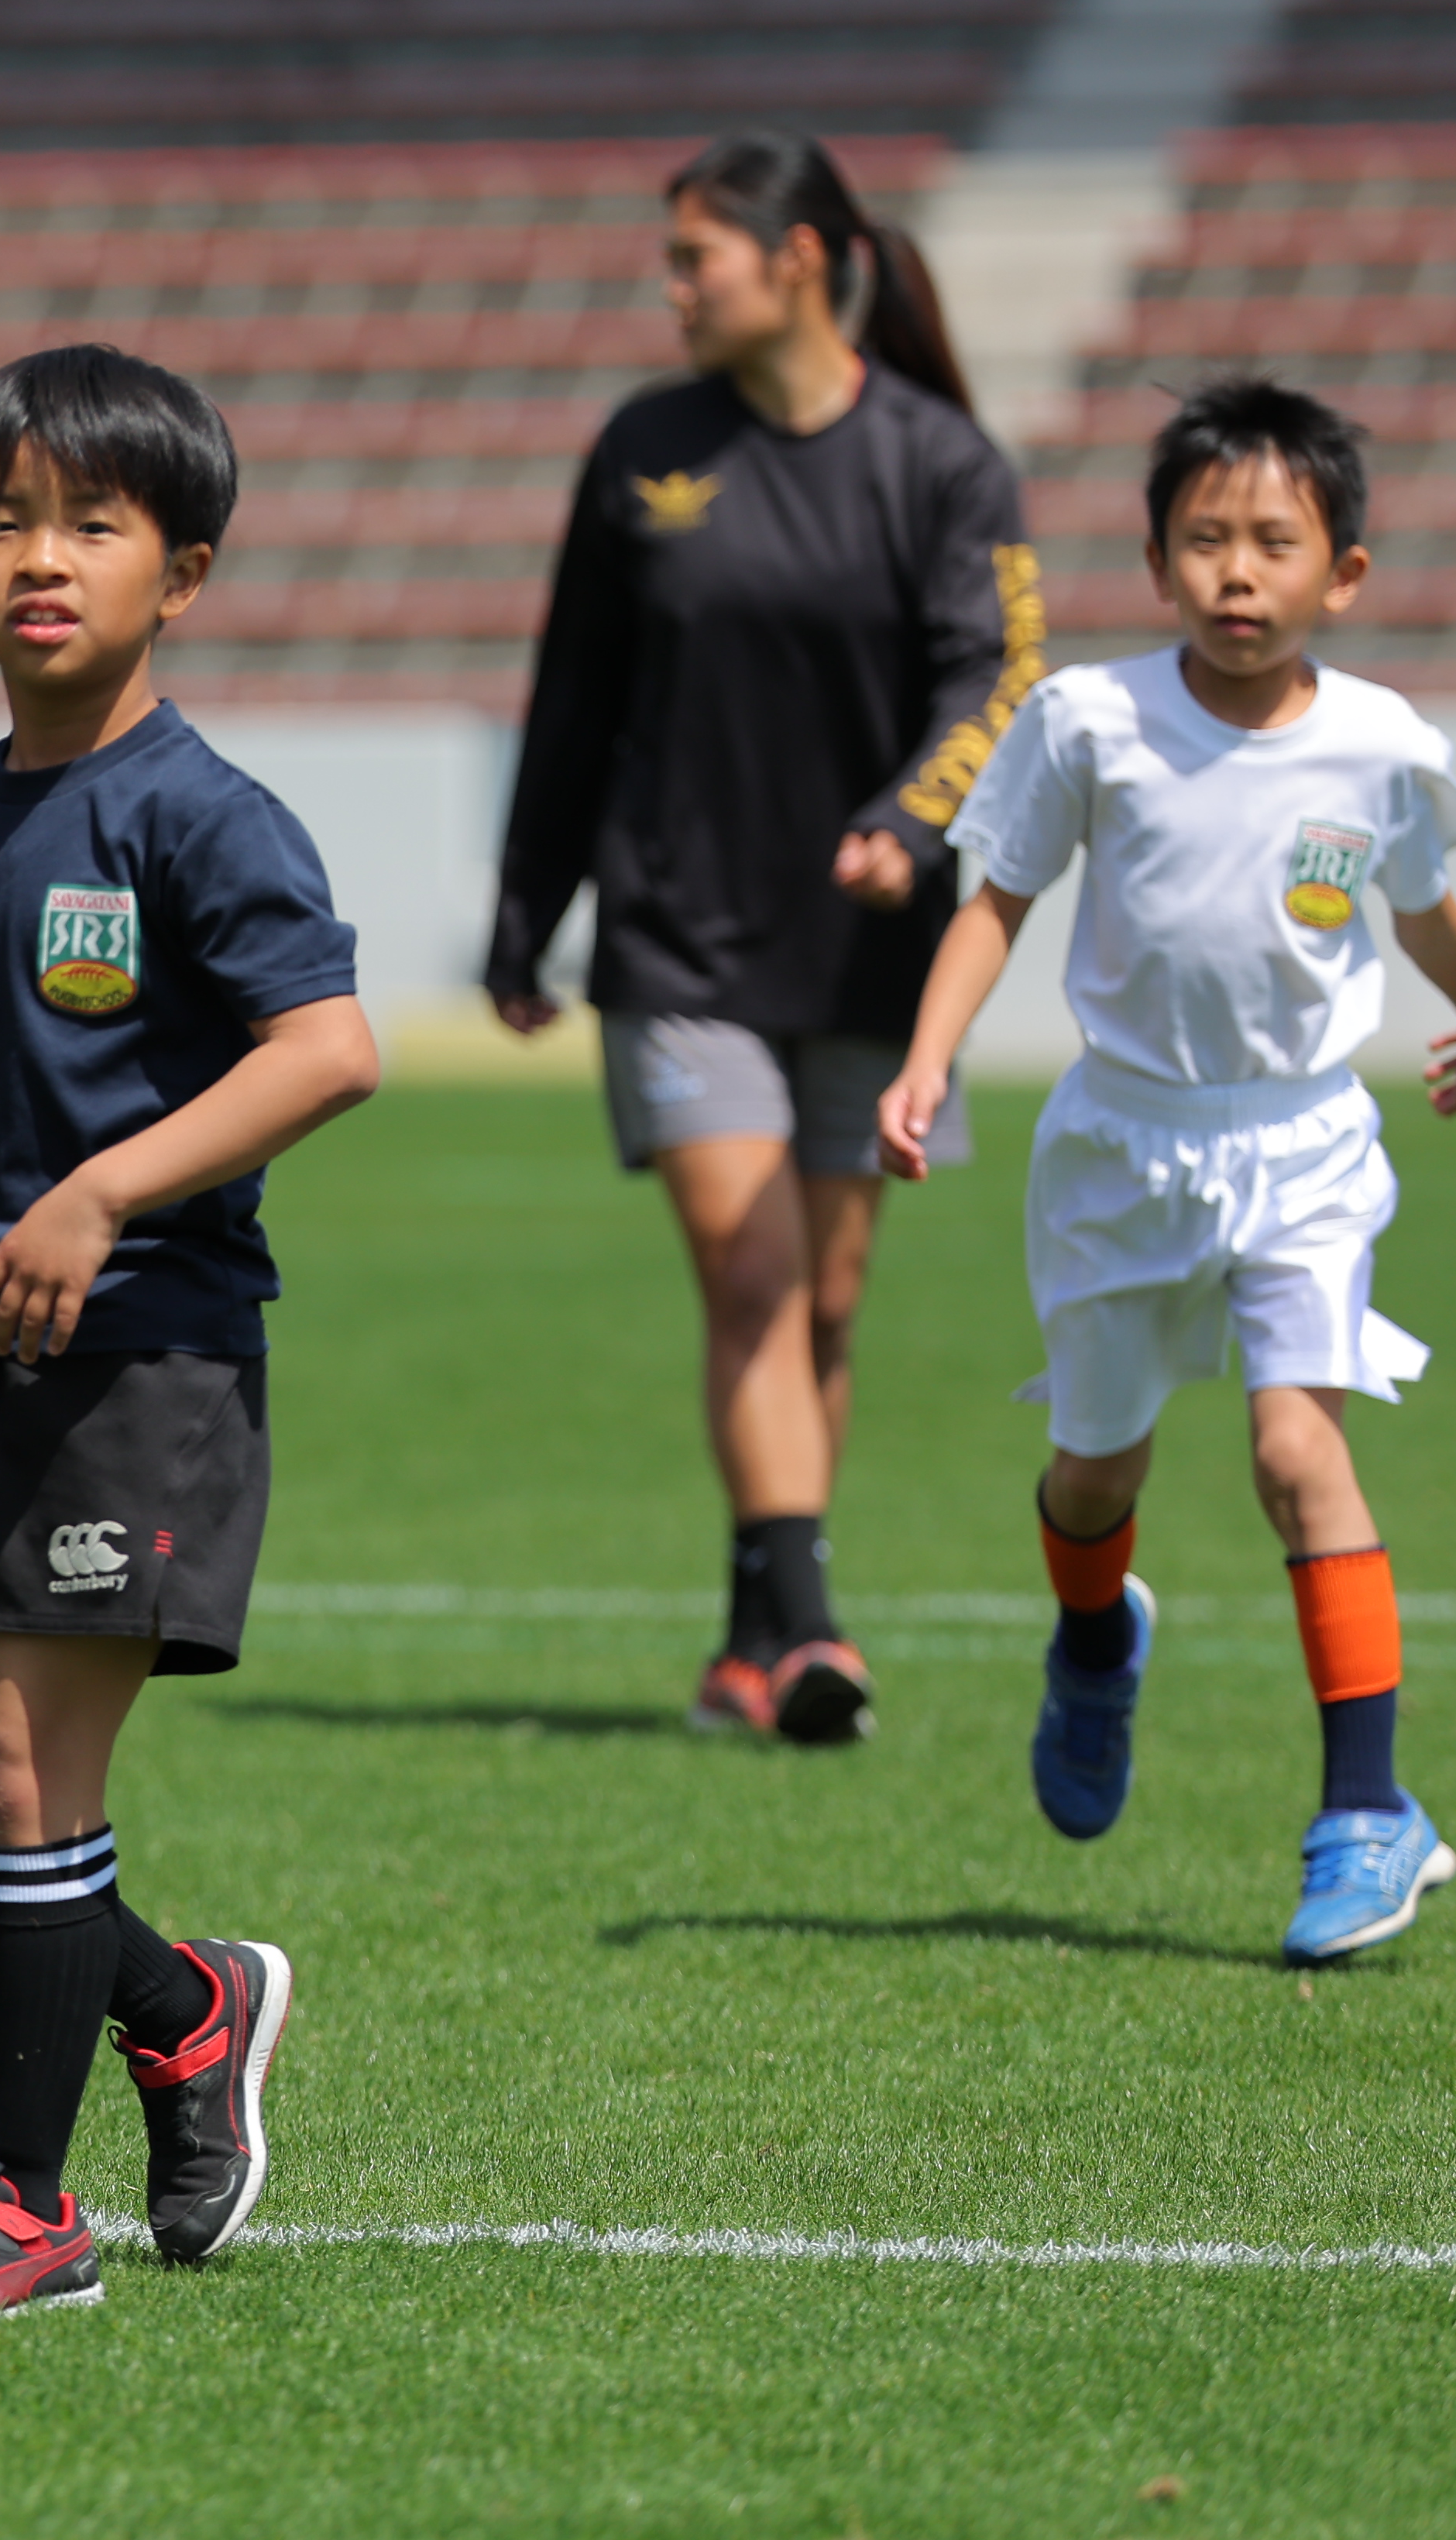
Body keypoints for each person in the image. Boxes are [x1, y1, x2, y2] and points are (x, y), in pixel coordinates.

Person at [0, 346, 377, 2322]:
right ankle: (187, 2000)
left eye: (90, 525)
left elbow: (330, 1048)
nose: (42, 559)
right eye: (1, 522)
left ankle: (19, 2203)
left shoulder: (205, 815)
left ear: (179, 571)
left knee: (29, 1769)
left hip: (141, 1358)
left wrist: (108, 1190)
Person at [877, 377, 1456, 1968]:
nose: (1238, 570)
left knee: (1300, 1454)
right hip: (1121, 1150)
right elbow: (996, 895)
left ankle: (1368, 1810)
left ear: (1342, 572)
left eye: (1274, 540)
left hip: (1303, 1145)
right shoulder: (1090, 719)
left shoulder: (1380, 747)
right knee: (1098, 1474)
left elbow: (1427, 909)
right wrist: (928, 1053)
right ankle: (1098, 1639)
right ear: (1157, 561)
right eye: (1205, 537)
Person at [485, 127, 1046, 1746]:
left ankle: (750, 1632)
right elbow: (573, 693)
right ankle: (809, 1630)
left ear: (796, 261)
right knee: (755, 1274)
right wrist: (532, 912)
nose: (671, 290)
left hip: (874, 949)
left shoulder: (945, 462)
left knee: (826, 1305)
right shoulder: (641, 448)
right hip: (677, 943)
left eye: (694, 260)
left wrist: (913, 816)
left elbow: (997, 674)